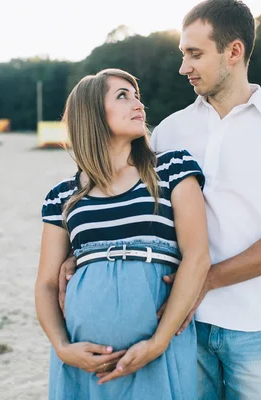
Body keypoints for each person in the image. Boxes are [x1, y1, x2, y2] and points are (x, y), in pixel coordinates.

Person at [60, 1, 261, 399]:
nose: (184, 67)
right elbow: (121, 197)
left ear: (233, 52)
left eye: (195, 54)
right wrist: (81, 253)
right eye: (183, 53)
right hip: (181, 323)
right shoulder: (168, 131)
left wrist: (207, 279)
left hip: (257, 322)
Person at [35, 68, 211, 399]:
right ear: (91, 114)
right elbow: (45, 284)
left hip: (157, 350)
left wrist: (158, 343)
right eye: (122, 96)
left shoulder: (172, 169)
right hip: (82, 359)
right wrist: (61, 347)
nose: (138, 104)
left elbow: (198, 257)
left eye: (137, 96)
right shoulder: (62, 196)